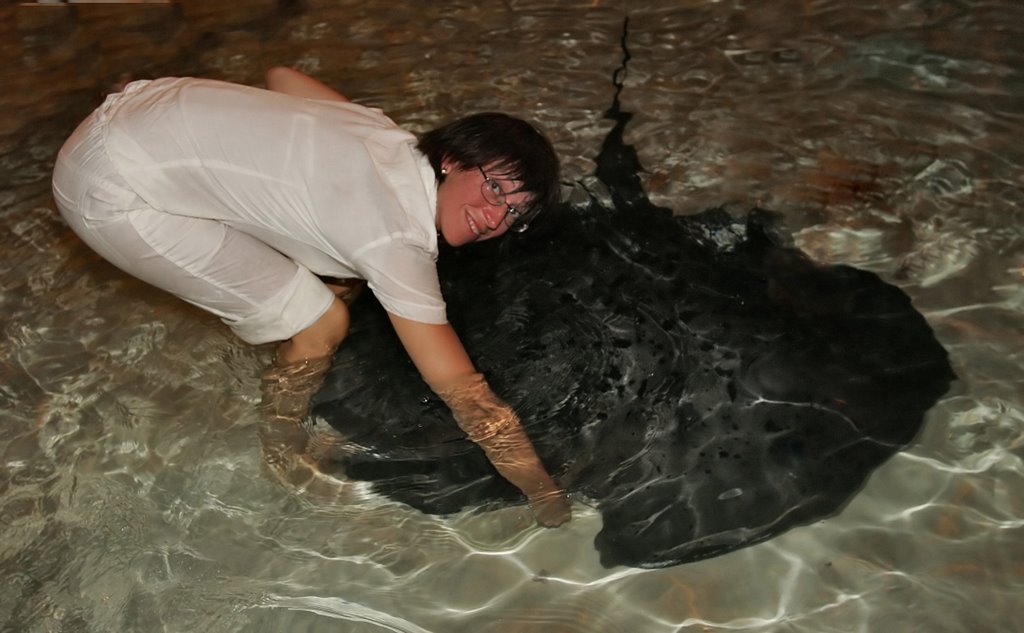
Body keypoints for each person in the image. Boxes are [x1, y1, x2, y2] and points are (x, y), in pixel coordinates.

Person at [51, 66, 571, 527]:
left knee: (337, 274)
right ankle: (282, 447)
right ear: (453, 161)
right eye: (496, 189)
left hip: (139, 102)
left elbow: (283, 77)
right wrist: (544, 493)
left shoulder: (382, 133)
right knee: (320, 324)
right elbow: (466, 394)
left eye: (515, 216)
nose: (496, 216)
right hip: (109, 187)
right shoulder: (395, 242)